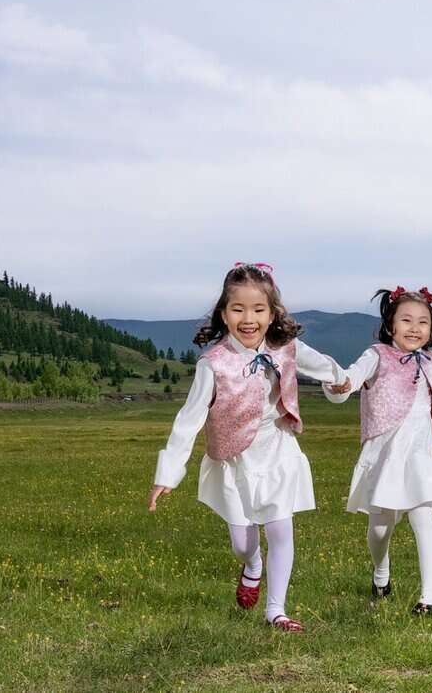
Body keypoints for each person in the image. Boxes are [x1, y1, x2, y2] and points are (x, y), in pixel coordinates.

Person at [148, 263, 350, 632]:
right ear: (224, 314)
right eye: (238, 309)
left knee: (280, 528)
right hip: (233, 459)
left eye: (258, 310)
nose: (249, 318)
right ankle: (252, 565)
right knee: (243, 541)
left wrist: (340, 382)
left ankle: (277, 610)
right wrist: (169, 473)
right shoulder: (213, 364)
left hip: (277, 450)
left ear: (272, 314)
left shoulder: (286, 347)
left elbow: (324, 367)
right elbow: (188, 419)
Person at [324, 286, 432, 615]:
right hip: (384, 455)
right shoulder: (377, 355)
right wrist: (339, 384)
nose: (414, 328)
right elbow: (353, 377)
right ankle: (381, 573)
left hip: (420, 454)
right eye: (406, 320)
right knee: (379, 529)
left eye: (422, 322)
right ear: (391, 324)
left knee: (423, 513)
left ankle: (430, 597)